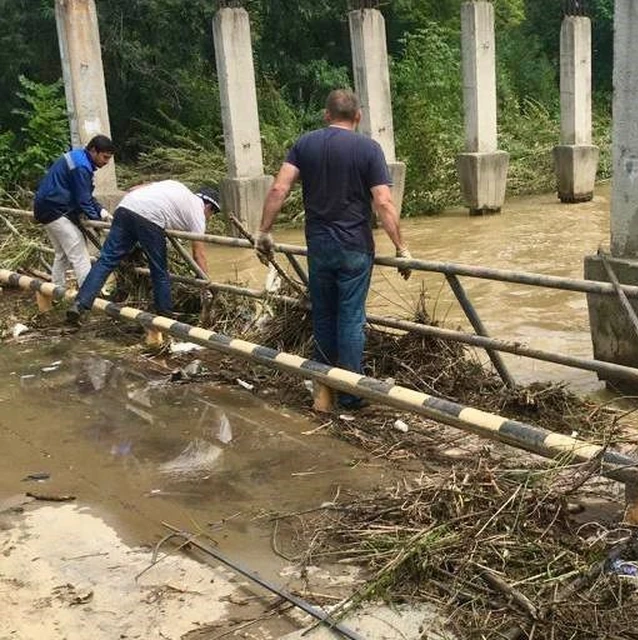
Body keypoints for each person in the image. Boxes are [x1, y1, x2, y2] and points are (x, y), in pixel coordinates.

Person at [255, 88, 412, 411]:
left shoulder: (304, 144)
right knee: (351, 318)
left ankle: (323, 388)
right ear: (358, 117)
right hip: (354, 246)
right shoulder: (369, 149)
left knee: (324, 316)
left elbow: (279, 187)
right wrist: (401, 248)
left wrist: (264, 231)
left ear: (327, 115)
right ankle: (352, 394)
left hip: (319, 245)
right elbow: (382, 202)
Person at [68, 181, 220, 323]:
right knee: (159, 269)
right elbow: (198, 254)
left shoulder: (175, 186)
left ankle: (80, 304)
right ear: (208, 207)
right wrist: (206, 284)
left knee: (106, 260)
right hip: (149, 217)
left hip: (125, 207)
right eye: (211, 215)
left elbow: (135, 188)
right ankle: (165, 317)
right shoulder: (198, 212)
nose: (209, 218)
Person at [33, 134, 116, 288]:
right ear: (93, 151)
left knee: (62, 254)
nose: (106, 162)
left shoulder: (78, 157)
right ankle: (87, 298)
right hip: (55, 209)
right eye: (104, 157)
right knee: (80, 255)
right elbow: (83, 200)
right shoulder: (81, 167)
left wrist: (103, 212)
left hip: (45, 207)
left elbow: (85, 196)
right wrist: (99, 225)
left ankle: (57, 291)